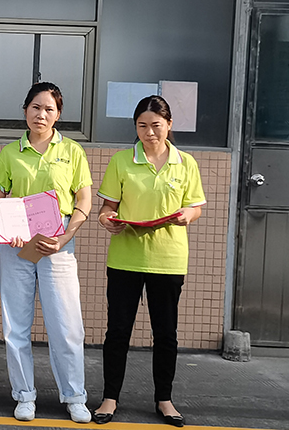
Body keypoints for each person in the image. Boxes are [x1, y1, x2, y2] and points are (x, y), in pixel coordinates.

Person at [94, 95, 206, 427]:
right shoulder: (121, 161)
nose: (149, 132)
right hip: (125, 258)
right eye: (142, 126)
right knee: (118, 331)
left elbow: (195, 206)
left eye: (156, 125)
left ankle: (164, 400)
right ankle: (110, 398)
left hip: (168, 259)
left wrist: (189, 215)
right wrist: (106, 219)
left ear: (169, 124)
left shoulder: (186, 163)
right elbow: (107, 208)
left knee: (166, 333)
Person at [0, 82, 94, 424]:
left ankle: (75, 396)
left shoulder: (72, 151)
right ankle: (24, 395)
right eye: (35, 107)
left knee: (66, 324)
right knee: (16, 325)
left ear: (58, 114)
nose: (41, 114)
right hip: (17, 243)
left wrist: (66, 236)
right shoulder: (10, 152)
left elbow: (83, 200)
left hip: (57, 241)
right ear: (25, 110)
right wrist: (7, 228)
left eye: (49, 109)